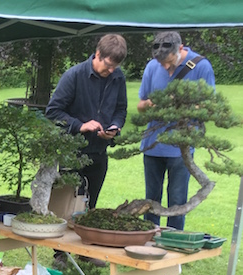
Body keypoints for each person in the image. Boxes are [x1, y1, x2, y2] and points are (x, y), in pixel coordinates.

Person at [138, 31, 215, 231]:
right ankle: (148, 238)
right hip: (153, 145)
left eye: (169, 62)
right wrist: (152, 104)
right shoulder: (152, 66)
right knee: (150, 199)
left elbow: (208, 107)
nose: (165, 66)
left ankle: (174, 240)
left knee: (178, 200)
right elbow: (141, 105)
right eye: (161, 63)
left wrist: (179, 105)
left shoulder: (201, 67)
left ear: (180, 49)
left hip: (181, 147)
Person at [46, 34, 128, 212]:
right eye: (108, 65)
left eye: (115, 66)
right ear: (98, 54)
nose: (111, 70)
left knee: (90, 209)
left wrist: (115, 127)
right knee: (66, 209)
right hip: (72, 154)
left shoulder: (118, 77)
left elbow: (121, 109)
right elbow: (53, 111)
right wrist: (80, 126)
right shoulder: (74, 75)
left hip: (99, 153)